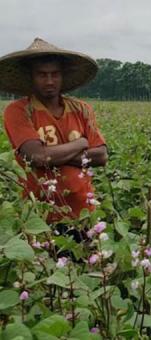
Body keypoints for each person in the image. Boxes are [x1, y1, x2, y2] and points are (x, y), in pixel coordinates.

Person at [0, 38, 107, 224]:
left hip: (84, 212)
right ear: (31, 77)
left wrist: (52, 156)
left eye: (54, 74)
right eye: (42, 75)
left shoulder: (81, 109)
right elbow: (38, 157)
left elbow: (101, 156)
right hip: (40, 216)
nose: (49, 81)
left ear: (62, 76)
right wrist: (80, 144)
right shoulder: (19, 110)